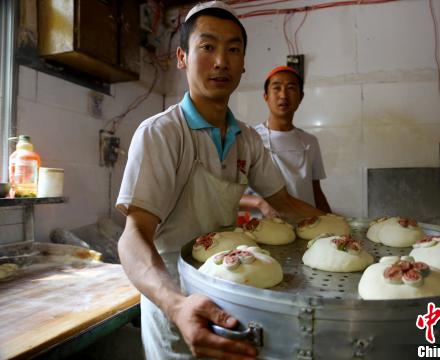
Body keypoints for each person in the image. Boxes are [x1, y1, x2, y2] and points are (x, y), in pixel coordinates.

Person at [115, 2, 323, 359]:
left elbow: (284, 203)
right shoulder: (162, 134)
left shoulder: (247, 139)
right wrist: (176, 306)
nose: (221, 61)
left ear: (243, 65)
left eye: (233, 50)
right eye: (207, 47)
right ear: (182, 57)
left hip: (230, 291)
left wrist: (345, 229)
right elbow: (134, 237)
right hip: (177, 301)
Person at [240, 66, 331, 217]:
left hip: (305, 226)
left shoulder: (310, 142)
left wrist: (332, 223)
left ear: (301, 96)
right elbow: (228, 195)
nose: (283, 95)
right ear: (266, 96)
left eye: (291, 88)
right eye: (276, 88)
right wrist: (259, 202)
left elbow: (316, 193)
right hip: (265, 230)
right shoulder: (250, 138)